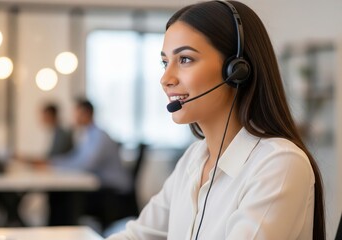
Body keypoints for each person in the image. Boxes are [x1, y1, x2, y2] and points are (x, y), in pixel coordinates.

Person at [107, 1, 325, 240]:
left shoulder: (278, 163)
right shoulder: (194, 159)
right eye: (164, 62)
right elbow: (138, 236)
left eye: (185, 59)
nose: (165, 78)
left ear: (237, 70)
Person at [48, 98, 131, 227]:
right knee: (58, 196)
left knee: (66, 199)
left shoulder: (99, 136)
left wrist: (54, 164)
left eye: (75, 112)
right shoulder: (87, 135)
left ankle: (64, 232)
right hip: (100, 187)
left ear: (85, 113)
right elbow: (75, 159)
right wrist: (52, 163)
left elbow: (86, 165)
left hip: (112, 191)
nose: (73, 116)